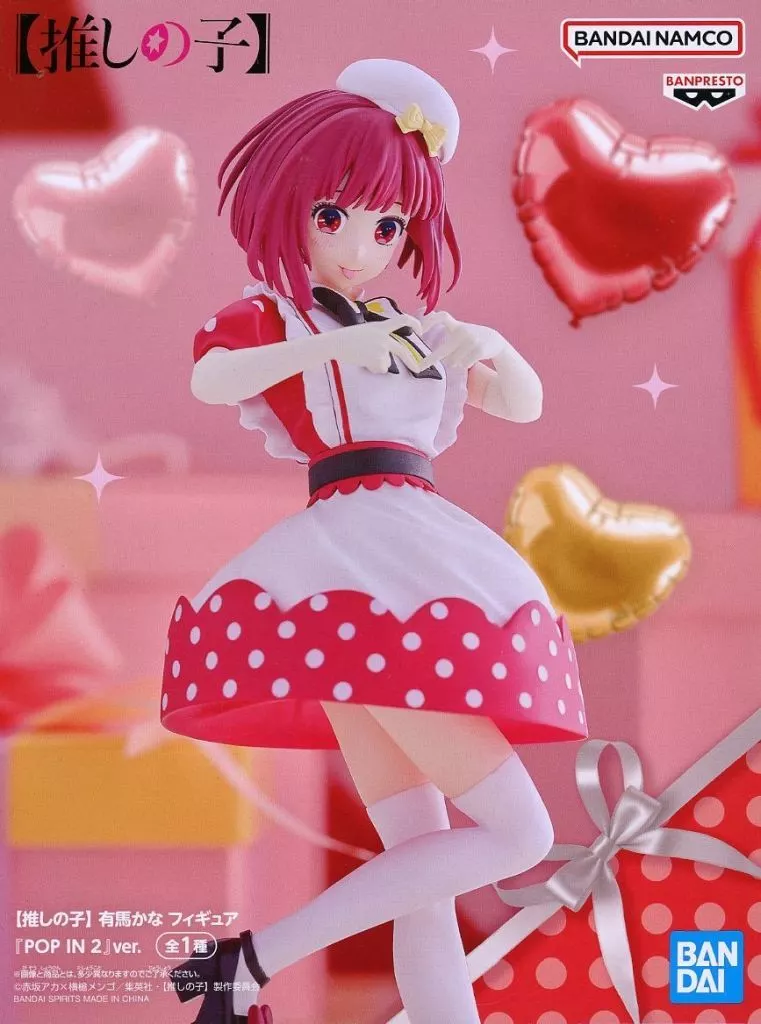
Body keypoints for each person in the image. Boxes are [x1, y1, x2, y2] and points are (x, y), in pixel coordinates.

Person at [161, 57, 588, 1024]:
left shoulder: (410, 327)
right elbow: (212, 380)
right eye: (333, 217)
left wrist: (492, 347)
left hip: (408, 548)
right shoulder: (275, 315)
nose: (360, 247)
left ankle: (294, 983)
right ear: (290, 208)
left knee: (419, 868)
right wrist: (331, 344)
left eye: (387, 227)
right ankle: (250, 961)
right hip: (356, 566)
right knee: (517, 833)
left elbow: (519, 404)